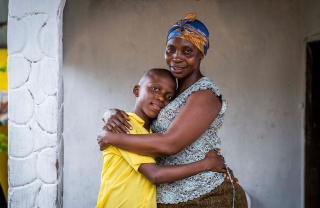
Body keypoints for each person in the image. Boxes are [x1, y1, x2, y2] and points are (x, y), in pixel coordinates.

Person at [98, 13, 247, 208]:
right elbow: (143, 124)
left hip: (208, 196)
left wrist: (109, 137)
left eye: (187, 51)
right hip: (166, 199)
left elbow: (169, 145)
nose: (176, 58)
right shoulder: (171, 95)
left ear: (201, 54)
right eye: (171, 50)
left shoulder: (204, 94)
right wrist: (109, 113)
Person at [96, 68, 228, 208]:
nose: (161, 97)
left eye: (169, 96)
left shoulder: (154, 135)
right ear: (137, 90)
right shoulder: (125, 126)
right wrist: (207, 164)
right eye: (155, 88)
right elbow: (155, 175)